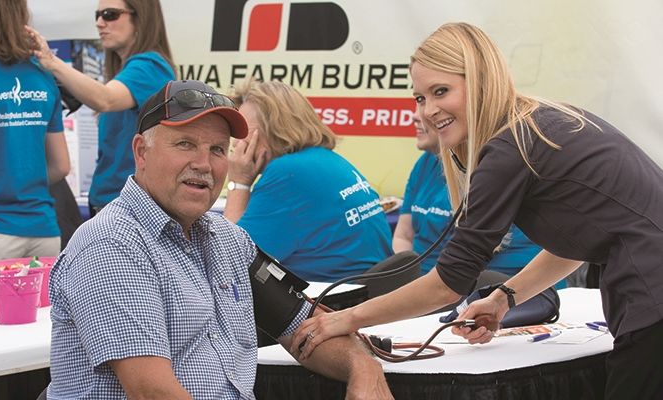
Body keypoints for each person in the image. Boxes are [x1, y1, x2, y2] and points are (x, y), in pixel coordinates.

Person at [292, 22, 663, 399]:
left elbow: (448, 284)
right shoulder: (535, 125)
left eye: (441, 91)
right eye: (420, 98)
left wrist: (346, 319)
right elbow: (573, 245)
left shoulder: (509, 148)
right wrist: (504, 298)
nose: (429, 110)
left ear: (482, 81)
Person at [45, 79, 392, 399]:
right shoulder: (112, 246)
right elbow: (154, 393)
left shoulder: (228, 240)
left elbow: (307, 327)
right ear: (141, 152)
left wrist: (363, 366)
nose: (204, 164)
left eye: (217, 149)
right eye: (185, 144)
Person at [224, 79, 393, 282]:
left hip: (333, 302)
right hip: (362, 294)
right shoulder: (327, 160)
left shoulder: (287, 172)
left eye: (244, 131)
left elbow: (231, 263)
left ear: (274, 129)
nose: (236, 143)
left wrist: (239, 182)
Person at [0, 0, 70, 309]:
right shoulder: (41, 76)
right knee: (37, 346)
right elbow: (61, 165)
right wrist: (21, 178)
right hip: (43, 234)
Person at [27, 0, 175, 215]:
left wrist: (51, 61)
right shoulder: (131, 70)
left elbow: (104, 99)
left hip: (127, 208)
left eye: (110, 14)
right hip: (111, 203)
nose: (99, 23)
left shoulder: (150, 66)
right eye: (97, 15)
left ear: (140, 17)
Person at [394, 107, 566, 288]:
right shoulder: (425, 163)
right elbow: (403, 235)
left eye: (434, 100)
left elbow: (457, 273)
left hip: (498, 290)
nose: (414, 116)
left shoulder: (498, 165)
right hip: (434, 287)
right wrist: (407, 276)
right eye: (420, 101)